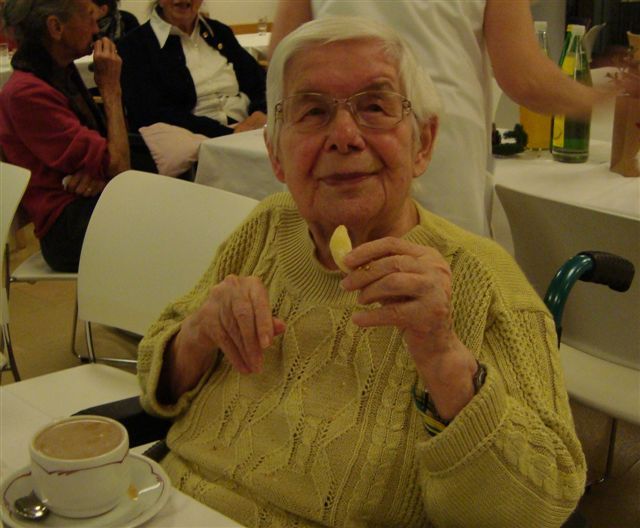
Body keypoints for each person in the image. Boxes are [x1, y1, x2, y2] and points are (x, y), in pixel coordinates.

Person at [137, 16, 586, 528]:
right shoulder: (268, 226)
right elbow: (155, 378)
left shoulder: (484, 279)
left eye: (375, 107)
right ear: (275, 155)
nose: (345, 136)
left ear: (423, 143)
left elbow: (544, 503)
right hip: (162, 506)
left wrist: (444, 359)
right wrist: (198, 333)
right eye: (313, 111)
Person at [269, 0, 616, 237]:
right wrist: (604, 98)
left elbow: (282, 59)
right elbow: (525, 78)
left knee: (331, 282)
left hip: (344, 141)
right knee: (442, 287)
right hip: (439, 155)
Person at [0, 0, 129, 272]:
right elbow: (119, 165)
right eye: (89, 17)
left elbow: (112, 163)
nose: (96, 29)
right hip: (66, 227)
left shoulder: (58, 72)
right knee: (170, 220)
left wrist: (102, 175)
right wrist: (111, 90)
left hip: (90, 204)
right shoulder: (26, 92)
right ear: (56, 27)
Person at [117, 0, 267, 138]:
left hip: (249, 129)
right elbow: (151, 113)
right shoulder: (135, 46)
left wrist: (260, 112)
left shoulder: (219, 32)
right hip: (194, 141)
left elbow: (260, 82)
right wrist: (229, 133)